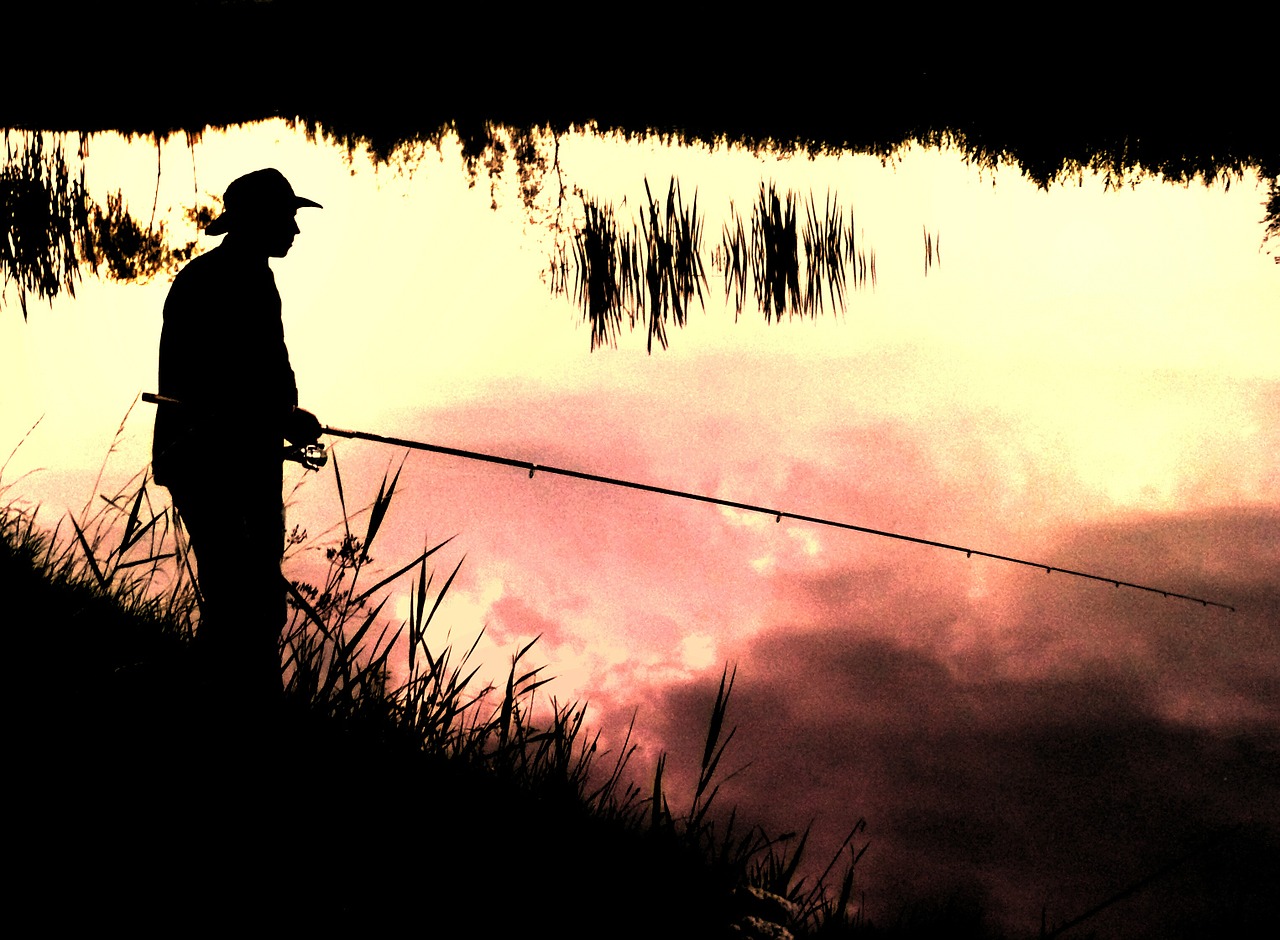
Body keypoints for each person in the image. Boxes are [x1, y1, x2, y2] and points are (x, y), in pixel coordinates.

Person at [152, 167, 323, 700]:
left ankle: (237, 698)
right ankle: (224, 703)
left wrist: (286, 414)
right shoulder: (208, 282)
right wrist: (281, 418)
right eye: (288, 218)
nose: (295, 231)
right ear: (256, 222)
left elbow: (269, 370)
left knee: (256, 597)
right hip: (206, 460)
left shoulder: (254, 276)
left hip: (248, 453)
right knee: (240, 598)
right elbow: (211, 384)